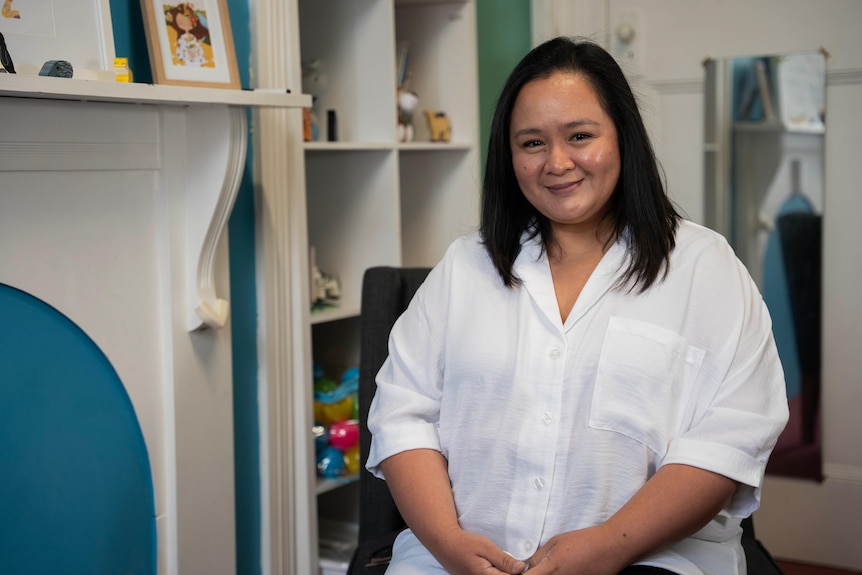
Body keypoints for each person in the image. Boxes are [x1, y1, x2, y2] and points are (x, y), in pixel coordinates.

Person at [366, 36, 788, 575]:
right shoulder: (462, 268)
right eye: (532, 143)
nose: (557, 162)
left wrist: (609, 545)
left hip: (649, 560)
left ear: (623, 139)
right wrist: (449, 543)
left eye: (580, 136)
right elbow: (404, 416)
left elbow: (728, 441)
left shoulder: (705, 269)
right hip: (458, 560)